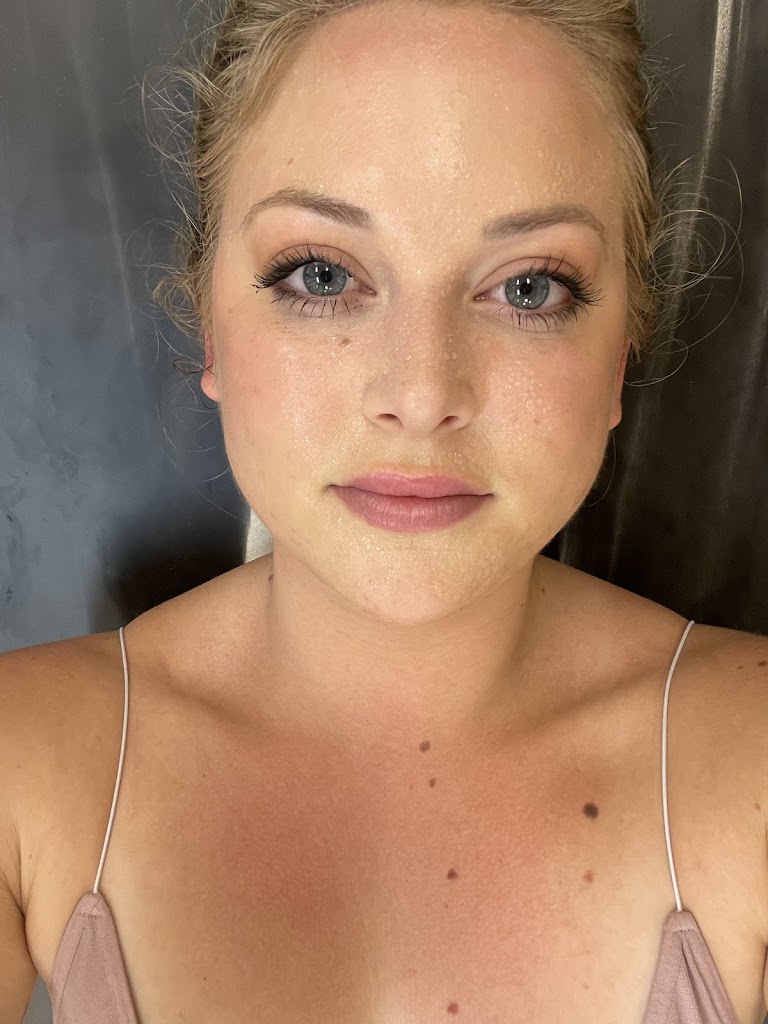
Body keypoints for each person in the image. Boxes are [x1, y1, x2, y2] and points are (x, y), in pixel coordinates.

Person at [2, 1, 767, 1022]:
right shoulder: (23, 760)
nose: (420, 393)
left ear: (622, 349)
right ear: (210, 323)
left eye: (529, 288)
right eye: (320, 275)